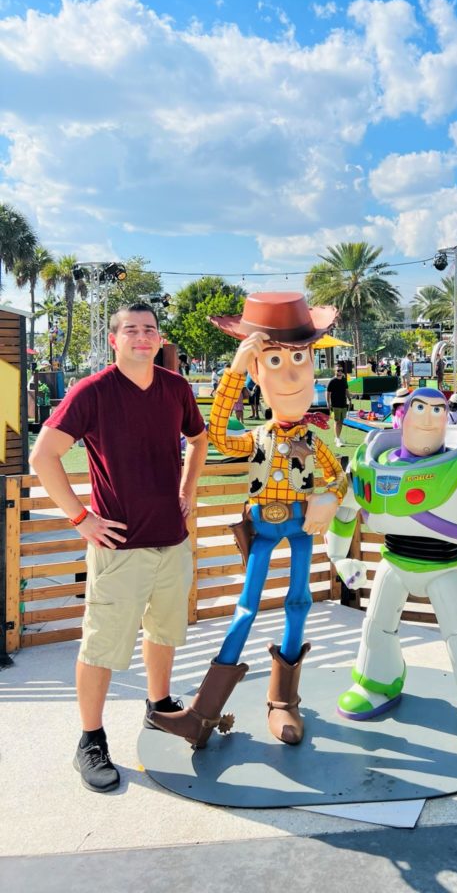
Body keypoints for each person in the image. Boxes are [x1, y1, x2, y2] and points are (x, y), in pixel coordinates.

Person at [148, 293, 347, 748]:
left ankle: (283, 701)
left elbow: (341, 476)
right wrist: (234, 373)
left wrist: (329, 499)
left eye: (300, 357)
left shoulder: (317, 438)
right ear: (259, 370)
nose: (292, 373)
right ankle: (203, 712)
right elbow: (213, 433)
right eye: (275, 360)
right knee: (246, 605)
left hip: (299, 524)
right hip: (260, 524)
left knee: (299, 601)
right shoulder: (256, 437)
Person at [29, 303, 208, 794]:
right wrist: (80, 517)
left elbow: (199, 438)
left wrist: (188, 492)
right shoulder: (93, 392)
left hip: (171, 541)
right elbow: (42, 455)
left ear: (159, 338)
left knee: (165, 632)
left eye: (149, 330)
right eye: (131, 330)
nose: (142, 337)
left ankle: (159, 708)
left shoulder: (175, 388)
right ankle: (89, 739)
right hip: (118, 546)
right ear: (114, 340)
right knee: (102, 646)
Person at [327, 388, 457, 757]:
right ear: (402, 416)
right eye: (419, 408)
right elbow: (344, 511)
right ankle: (377, 682)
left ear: (448, 417)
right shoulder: (371, 460)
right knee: (376, 629)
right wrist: (340, 558)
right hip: (394, 560)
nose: (429, 416)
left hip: (443, 566)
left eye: (438, 409)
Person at [326, 364, 352, 448]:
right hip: (335, 404)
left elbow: (346, 390)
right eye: (338, 370)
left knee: (341, 422)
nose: (339, 372)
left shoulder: (344, 380)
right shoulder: (332, 381)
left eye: (341, 370)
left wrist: (349, 399)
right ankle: (337, 439)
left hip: (343, 404)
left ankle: (338, 437)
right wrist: (328, 403)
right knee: (337, 422)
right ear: (335, 371)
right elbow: (328, 393)